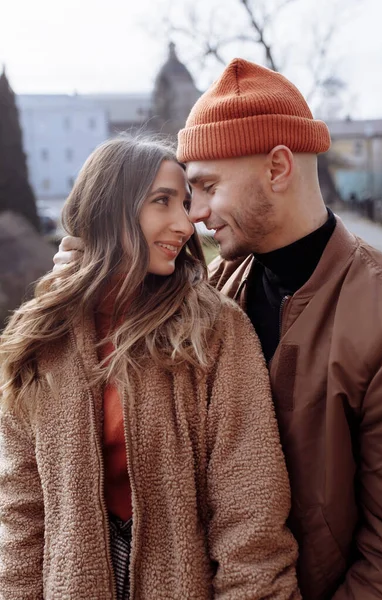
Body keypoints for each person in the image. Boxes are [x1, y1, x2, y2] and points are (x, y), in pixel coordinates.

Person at [55, 59, 382, 600]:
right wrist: (81, 288)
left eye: (207, 187)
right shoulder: (211, 295)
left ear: (278, 168)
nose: (193, 213)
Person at [0, 135, 300, 599]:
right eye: (163, 202)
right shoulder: (41, 337)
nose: (185, 223)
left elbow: (251, 512)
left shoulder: (216, 331)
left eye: (185, 203)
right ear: (108, 207)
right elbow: (20, 511)